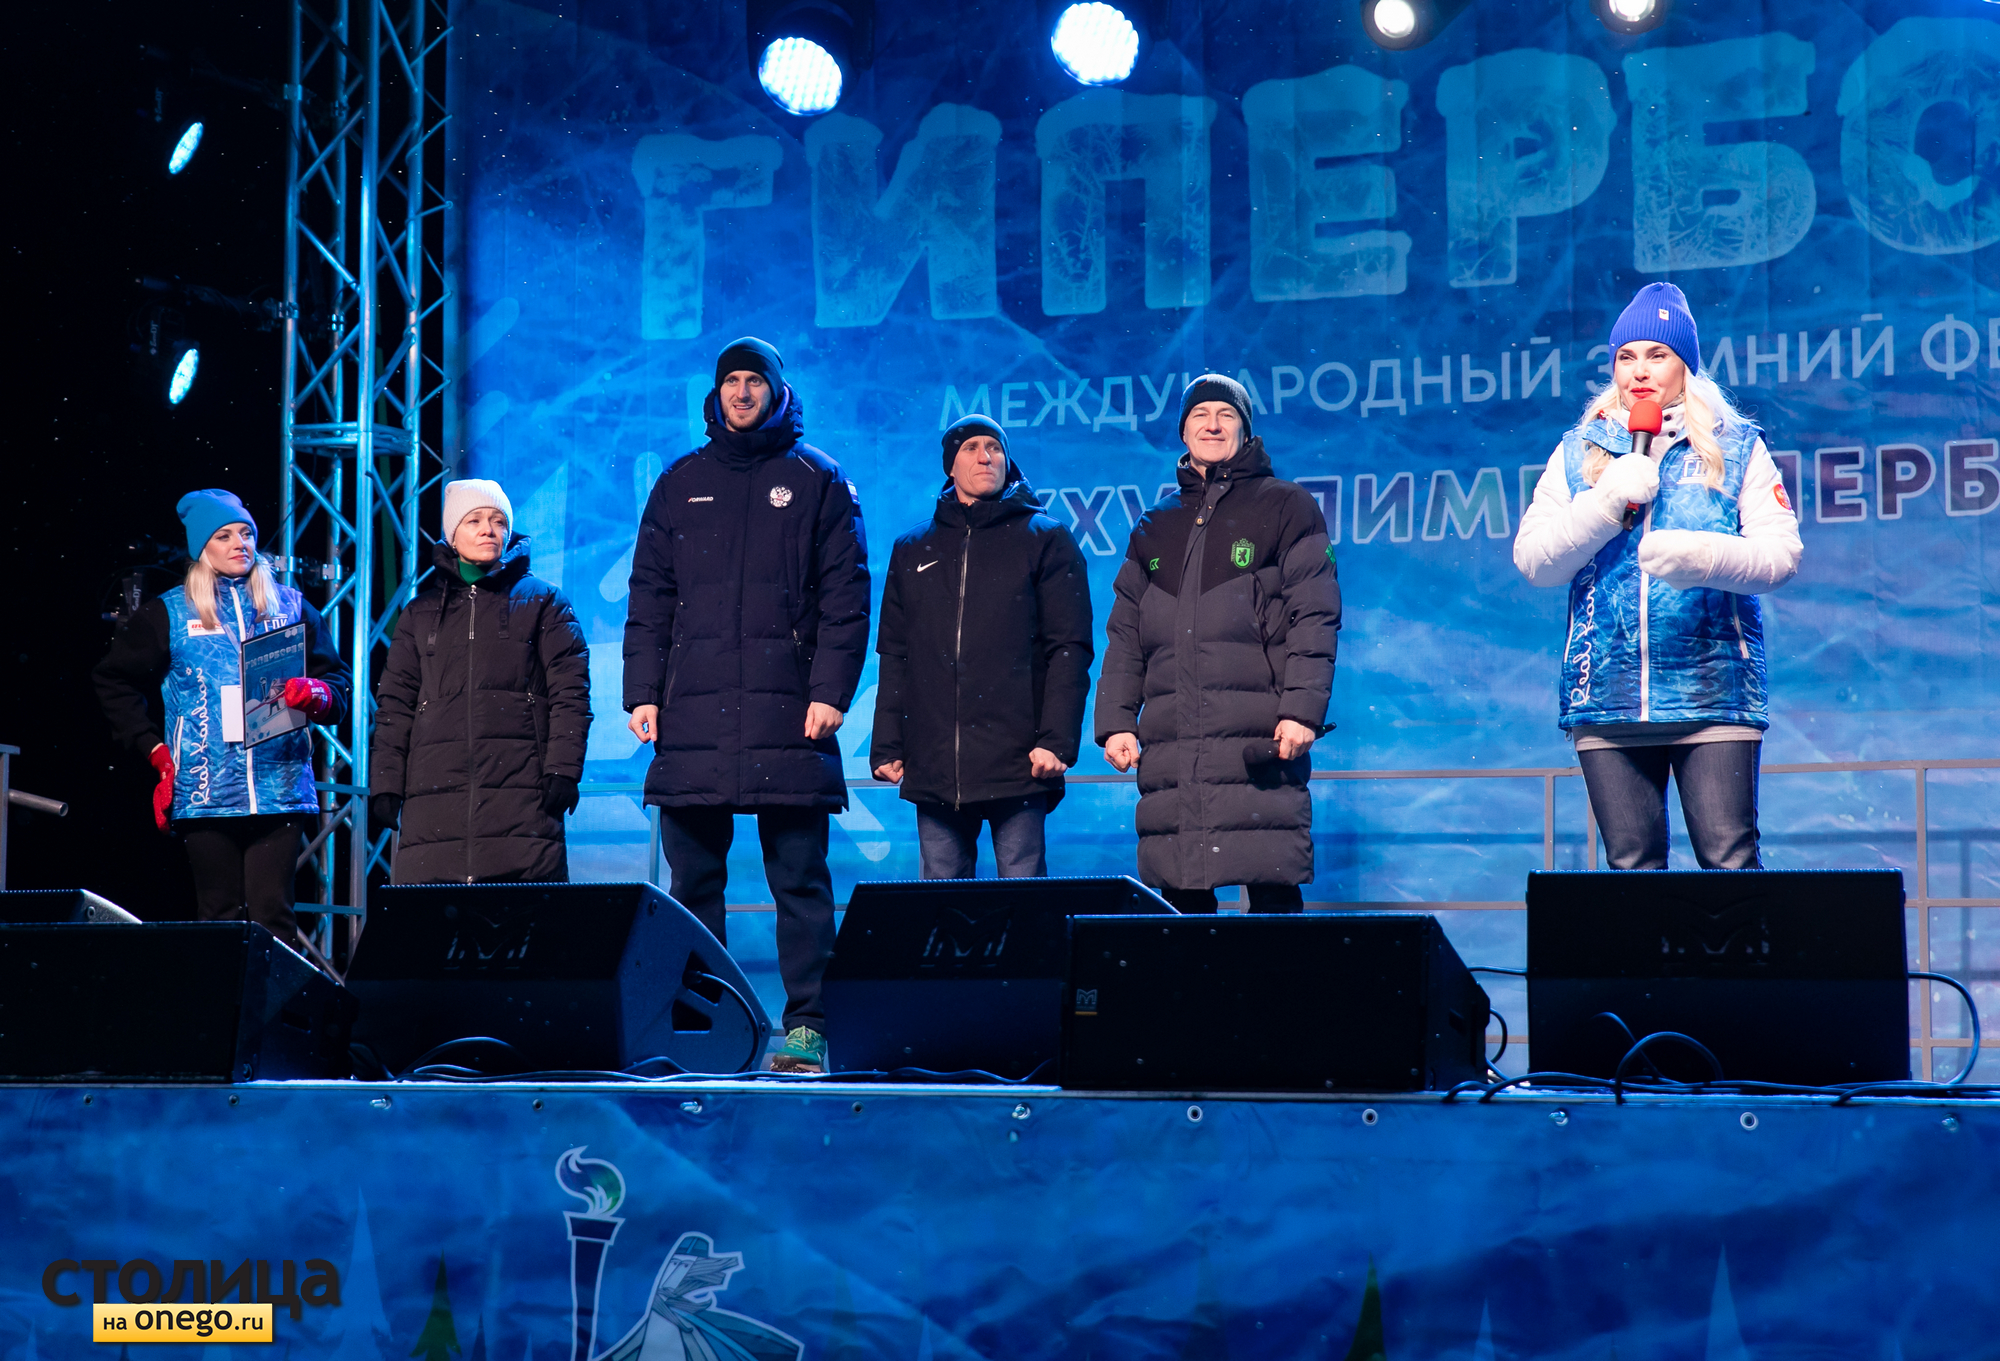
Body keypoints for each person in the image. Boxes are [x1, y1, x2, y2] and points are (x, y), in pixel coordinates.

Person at [624, 337, 869, 1074]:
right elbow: (650, 596)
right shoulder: (680, 482)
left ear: (776, 391)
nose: (741, 392)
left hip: (789, 714)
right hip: (693, 715)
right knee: (692, 888)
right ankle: (705, 1029)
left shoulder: (818, 478)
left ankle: (808, 1027)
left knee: (799, 883)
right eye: (730, 380)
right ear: (716, 392)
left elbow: (847, 598)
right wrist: (641, 691)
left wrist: (830, 693)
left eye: (753, 380)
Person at [1513, 282, 1802, 870]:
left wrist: (1700, 556)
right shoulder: (1578, 452)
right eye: (1626, 356)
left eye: (1657, 355)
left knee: (1729, 862)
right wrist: (1604, 504)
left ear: (1685, 365)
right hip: (1607, 696)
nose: (1639, 371)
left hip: (1712, 693)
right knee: (1632, 872)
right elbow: (1535, 561)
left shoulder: (1737, 447)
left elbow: (1780, 557)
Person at [1095, 375, 1341, 912]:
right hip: (1173, 742)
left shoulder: (1287, 506)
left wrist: (1302, 710)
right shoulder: (1154, 524)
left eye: (1226, 415)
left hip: (1259, 735)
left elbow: (1315, 616)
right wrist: (1116, 721)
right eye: (1200, 415)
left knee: (1271, 891)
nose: (1212, 425)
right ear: (1183, 432)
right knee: (1183, 904)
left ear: (1245, 431)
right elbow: (1125, 634)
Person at [93, 489, 352, 951]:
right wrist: (154, 750)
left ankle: (272, 1001)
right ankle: (219, 1000)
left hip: (279, 789)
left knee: (274, 916)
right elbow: (113, 680)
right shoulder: (170, 612)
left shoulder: (290, 606)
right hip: (205, 790)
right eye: (224, 535)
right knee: (218, 915)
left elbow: (337, 683)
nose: (240, 544)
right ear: (202, 547)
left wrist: (317, 695)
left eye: (246, 533)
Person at [870, 415, 1094, 878]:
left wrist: (1057, 742)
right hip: (935, 763)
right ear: (950, 466)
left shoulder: (1046, 539)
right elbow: (895, 655)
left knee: (1024, 900)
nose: (985, 456)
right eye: (971, 447)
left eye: (994, 447)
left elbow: (1069, 650)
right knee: (943, 908)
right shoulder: (912, 548)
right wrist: (887, 744)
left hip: (1020, 761)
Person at [368, 479, 591, 883]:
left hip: (522, 798)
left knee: (520, 917)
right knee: (437, 919)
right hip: (434, 800)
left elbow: (570, 694)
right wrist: (385, 781)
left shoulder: (545, 602)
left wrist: (563, 769)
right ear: (453, 535)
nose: (489, 530)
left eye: (498, 521)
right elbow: (395, 705)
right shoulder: (419, 613)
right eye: (474, 521)